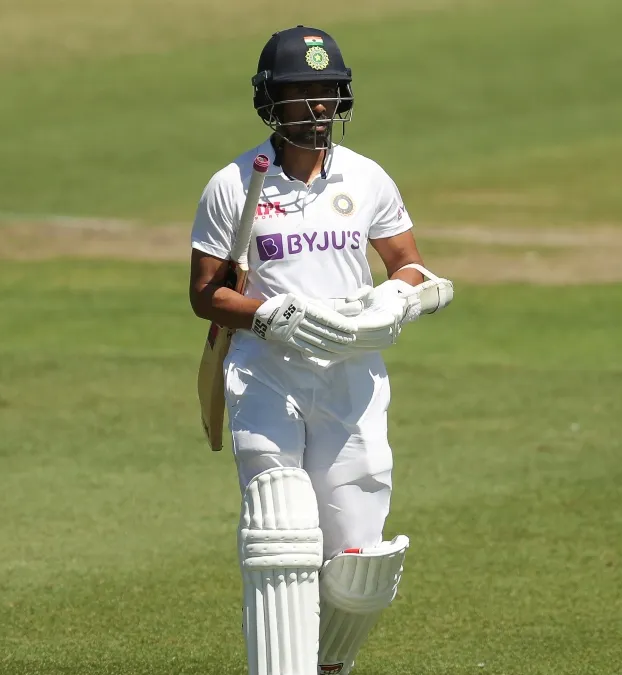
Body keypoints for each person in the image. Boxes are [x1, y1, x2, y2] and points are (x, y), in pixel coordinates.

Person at [188, 24, 454, 675]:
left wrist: (398, 299)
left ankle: (327, 665)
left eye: (328, 91)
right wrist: (269, 316)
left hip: (351, 380)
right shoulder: (235, 184)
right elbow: (205, 294)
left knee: (362, 564)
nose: (317, 105)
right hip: (267, 375)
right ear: (270, 100)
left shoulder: (366, 177)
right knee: (281, 533)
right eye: (301, 92)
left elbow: (408, 263)